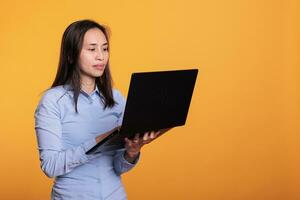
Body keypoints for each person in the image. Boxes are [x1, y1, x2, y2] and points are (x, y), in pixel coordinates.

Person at [34, 19, 161, 200]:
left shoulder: (116, 98)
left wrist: (132, 152)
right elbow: (50, 166)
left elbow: (118, 167)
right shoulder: (52, 101)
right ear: (70, 55)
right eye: (92, 49)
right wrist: (100, 140)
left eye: (105, 48)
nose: (101, 56)